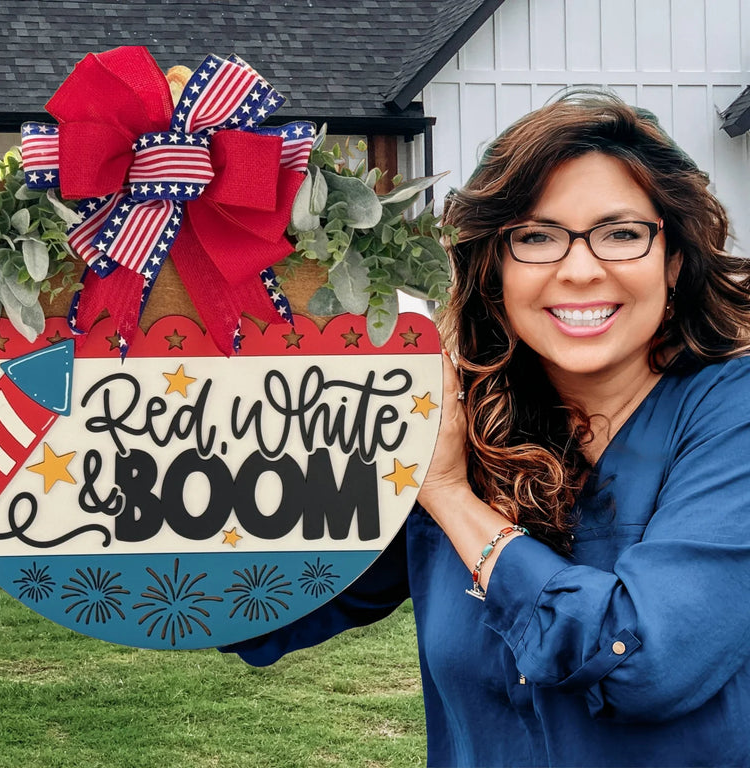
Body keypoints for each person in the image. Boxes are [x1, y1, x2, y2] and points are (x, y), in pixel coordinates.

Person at [222, 91, 750, 766]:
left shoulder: (731, 415)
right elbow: (268, 605)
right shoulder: (458, 423)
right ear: (494, 270)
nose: (581, 268)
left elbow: (642, 661)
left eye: (621, 233)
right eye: (536, 237)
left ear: (672, 260)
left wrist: (448, 497)